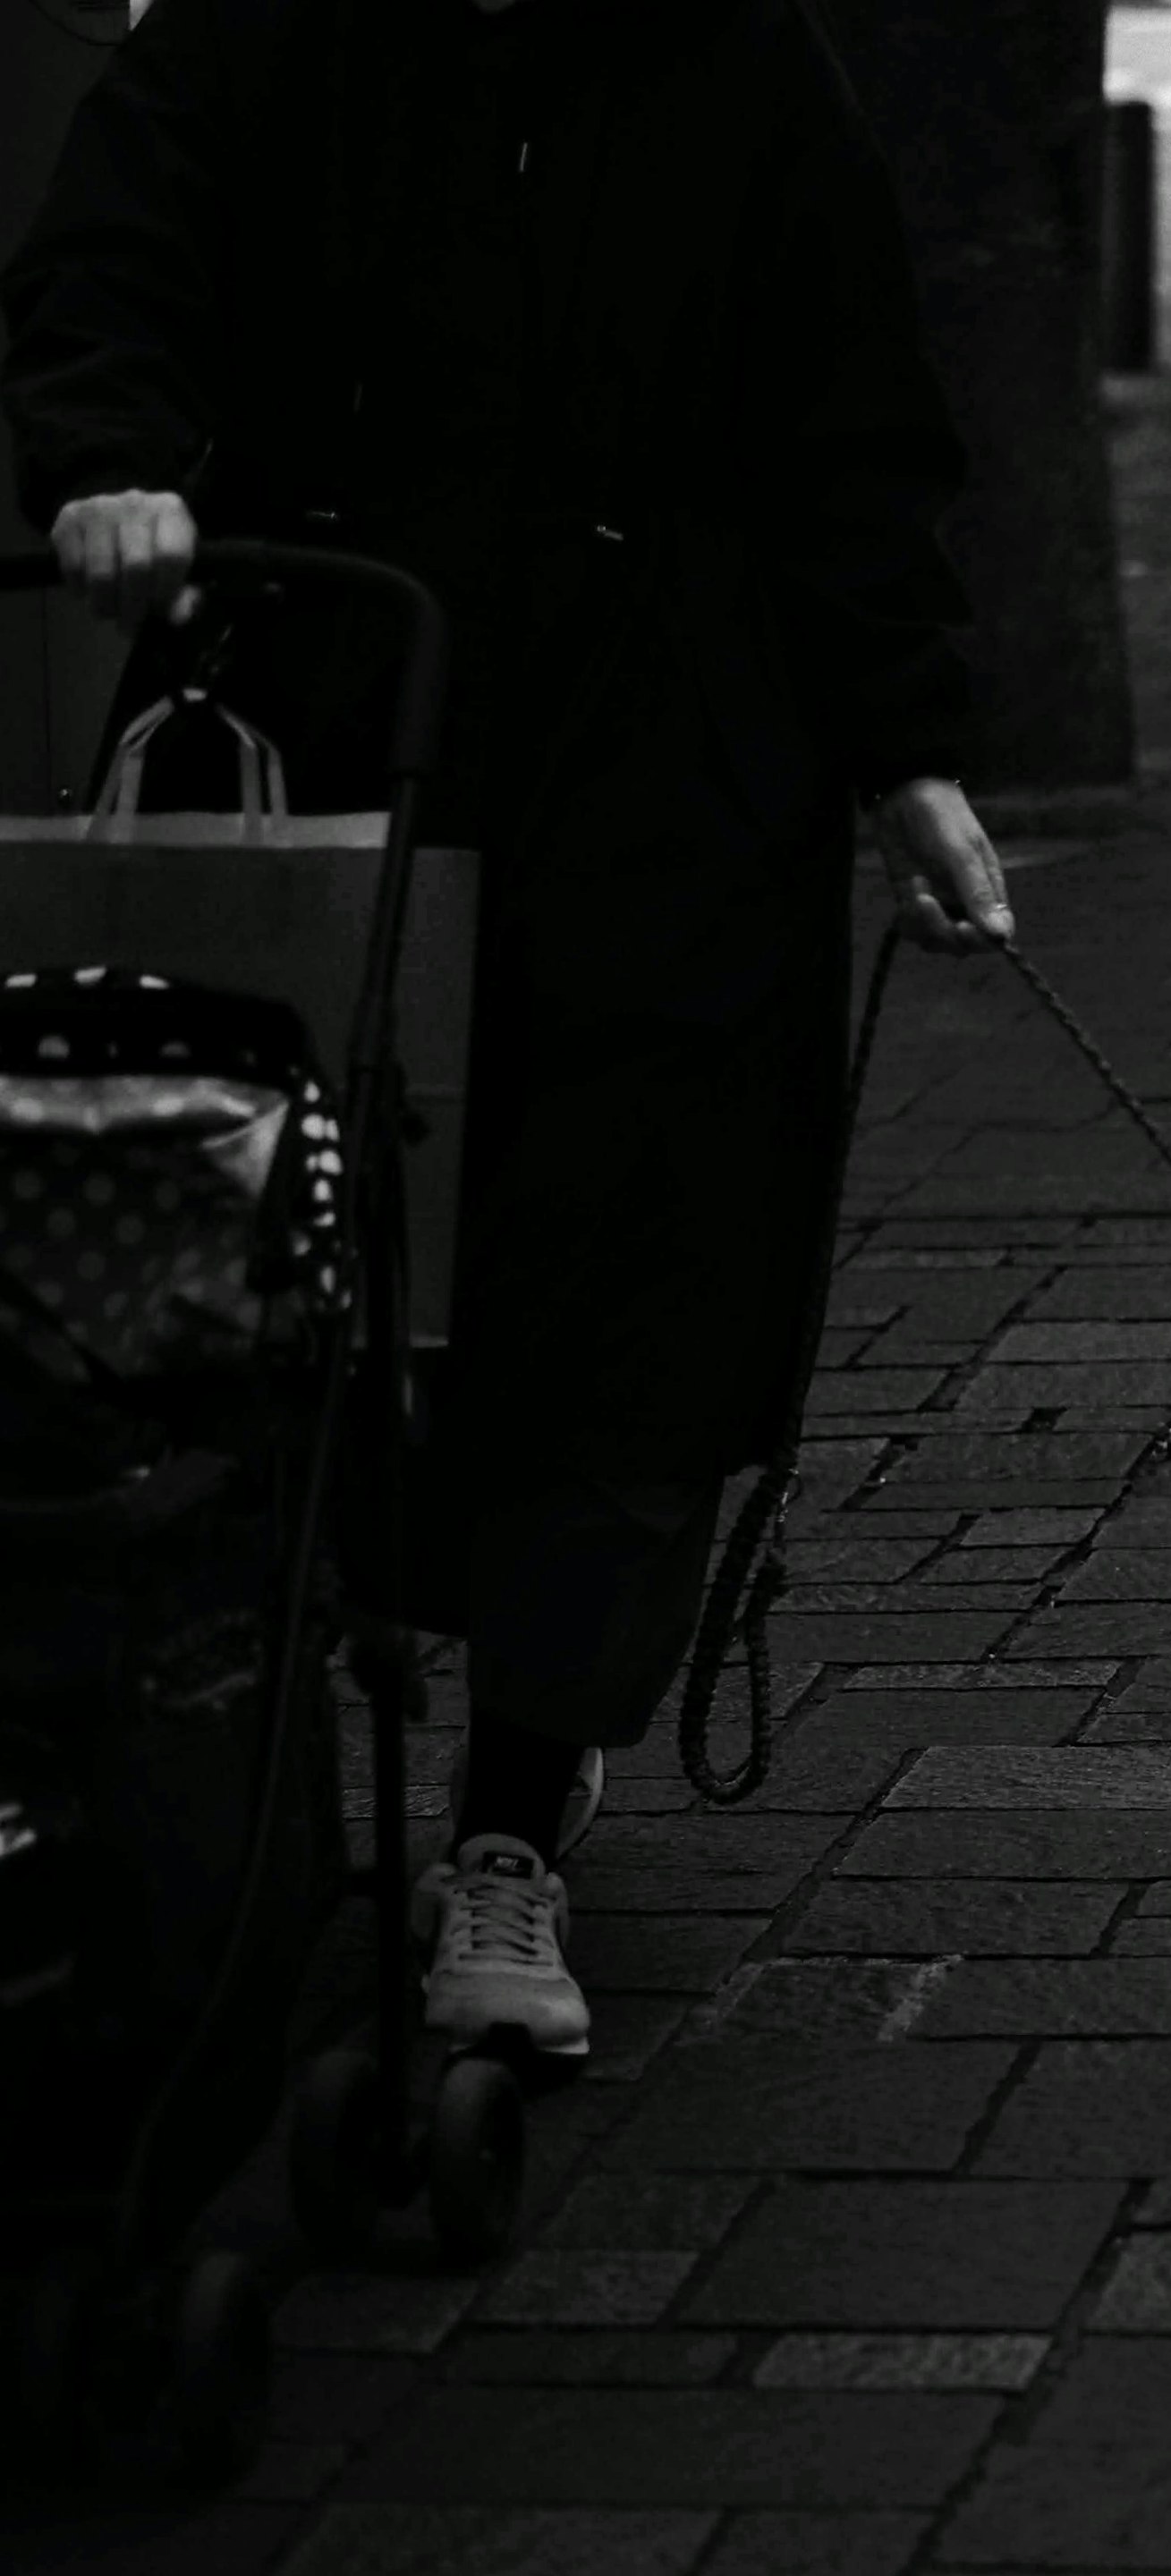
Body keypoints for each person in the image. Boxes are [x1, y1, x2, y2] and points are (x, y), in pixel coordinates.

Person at [0, 0, 1016, 2057]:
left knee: (631, 1279)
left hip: (669, 771)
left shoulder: (738, 58)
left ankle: (513, 1813)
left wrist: (905, 745)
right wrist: (112, 458)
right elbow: (111, 255)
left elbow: (848, 417)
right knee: (260, 1244)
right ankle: (245, 1744)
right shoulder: (255, 33)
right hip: (322, 711)